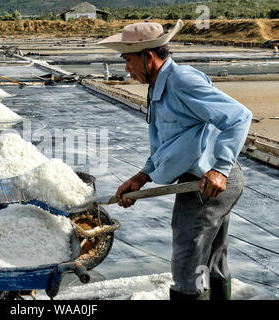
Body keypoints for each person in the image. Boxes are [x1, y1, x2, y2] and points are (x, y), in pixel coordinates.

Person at [98, 20, 252, 300]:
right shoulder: (158, 86)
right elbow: (169, 142)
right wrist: (142, 176)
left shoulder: (182, 80)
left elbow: (239, 117)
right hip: (206, 181)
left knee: (187, 264)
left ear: (148, 56)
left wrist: (220, 168)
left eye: (128, 60)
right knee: (211, 261)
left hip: (209, 183)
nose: (127, 69)